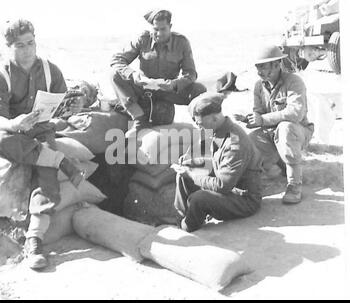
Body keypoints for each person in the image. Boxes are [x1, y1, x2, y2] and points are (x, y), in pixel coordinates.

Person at [0, 19, 84, 270]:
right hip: (15, 135)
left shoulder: (51, 70)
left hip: (42, 133)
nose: (27, 50)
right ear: (8, 47)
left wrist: (73, 108)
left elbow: (64, 108)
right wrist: (14, 122)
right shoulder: (2, 76)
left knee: (46, 179)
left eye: (30, 43)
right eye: (19, 45)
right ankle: (59, 160)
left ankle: (34, 240)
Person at [173, 92, 262, 232]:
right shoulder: (217, 130)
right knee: (185, 172)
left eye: (200, 123)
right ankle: (184, 217)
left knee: (199, 198)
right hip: (230, 188)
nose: (198, 127)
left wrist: (192, 174)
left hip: (243, 199)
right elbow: (217, 160)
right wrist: (192, 163)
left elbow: (223, 185)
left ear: (214, 118)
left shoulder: (235, 143)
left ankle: (188, 228)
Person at [110, 9, 207, 138]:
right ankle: (139, 119)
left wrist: (174, 84)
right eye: (155, 29)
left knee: (199, 89)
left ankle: (203, 125)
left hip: (168, 90)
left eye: (163, 29)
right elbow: (116, 60)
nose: (159, 33)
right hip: (144, 88)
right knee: (114, 74)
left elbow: (191, 74)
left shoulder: (181, 42)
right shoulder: (143, 39)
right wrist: (133, 75)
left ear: (170, 27)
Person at [236, 45, 314, 204]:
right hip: (272, 133)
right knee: (248, 141)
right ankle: (278, 166)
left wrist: (262, 120)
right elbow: (259, 112)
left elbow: (295, 114)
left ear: (277, 64)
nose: (259, 71)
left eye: (263, 66)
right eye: (257, 66)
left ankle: (294, 185)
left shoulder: (294, 81)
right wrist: (249, 119)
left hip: (299, 131)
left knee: (285, 128)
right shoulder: (259, 86)